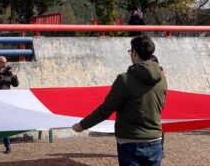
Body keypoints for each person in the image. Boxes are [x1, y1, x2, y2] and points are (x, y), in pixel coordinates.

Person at [72, 35, 167, 166]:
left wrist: (82, 125)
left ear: (134, 52)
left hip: (130, 142)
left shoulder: (125, 80)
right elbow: (159, 107)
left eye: (130, 51)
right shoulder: (162, 79)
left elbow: (105, 110)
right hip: (156, 140)